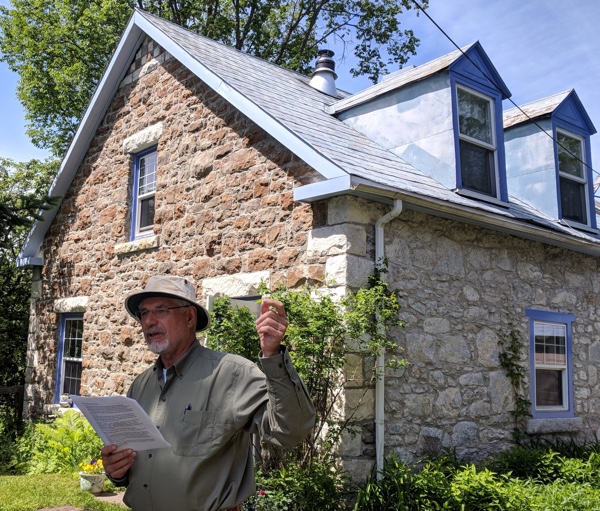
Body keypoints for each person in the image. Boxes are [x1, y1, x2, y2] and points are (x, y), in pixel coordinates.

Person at [101, 275, 315, 511]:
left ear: (189, 316)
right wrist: (116, 470)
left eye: (161, 310)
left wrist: (273, 356)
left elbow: (289, 432)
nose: (149, 321)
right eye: (144, 313)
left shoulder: (232, 374)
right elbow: (137, 465)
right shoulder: (140, 386)